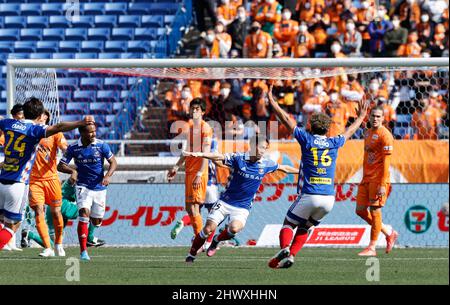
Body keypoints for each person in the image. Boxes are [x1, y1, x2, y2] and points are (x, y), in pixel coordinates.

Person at [267, 85, 369, 269]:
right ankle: (291, 257)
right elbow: (349, 132)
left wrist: (273, 101)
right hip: (329, 198)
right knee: (305, 227)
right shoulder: (334, 142)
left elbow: (285, 119)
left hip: (310, 194)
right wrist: (361, 117)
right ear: (327, 128)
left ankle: (285, 248)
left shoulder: (306, 139)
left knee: (289, 223)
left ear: (310, 126)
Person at [183, 134, 298, 263]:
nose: (262, 151)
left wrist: (302, 171)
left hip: (242, 207)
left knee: (234, 229)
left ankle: (216, 241)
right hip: (226, 201)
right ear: (252, 146)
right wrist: (199, 154)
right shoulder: (239, 158)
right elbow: (219, 157)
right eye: (260, 147)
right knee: (208, 229)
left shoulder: (266, 163)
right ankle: (191, 254)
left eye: (265, 148)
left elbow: (285, 169)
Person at [0, 97, 94, 251]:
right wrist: (80, 122)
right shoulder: (34, 130)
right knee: (12, 225)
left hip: (2, 179)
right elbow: (59, 126)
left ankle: (55, 246)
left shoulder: (8, 123)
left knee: (2, 221)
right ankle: (48, 246)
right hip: (17, 184)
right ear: (39, 117)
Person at [57, 123, 117, 261]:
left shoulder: (101, 145)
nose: (94, 134)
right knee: (83, 213)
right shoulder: (73, 148)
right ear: (82, 133)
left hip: (99, 187)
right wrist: (72, 171)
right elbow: (60, 165)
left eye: (94, 131)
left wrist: (108, 176)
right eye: (90, 132)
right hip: (82, 186)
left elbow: (113, 162)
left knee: (96, 220)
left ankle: (89, 235)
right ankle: (83, 251)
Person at [355, 106, 399, 256]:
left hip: (378, 179)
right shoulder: (368, 132)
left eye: (378, 116)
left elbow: (387, 162)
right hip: (366, 178)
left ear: (383, 118)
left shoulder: (385, 135)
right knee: (360, 210)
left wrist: (382, 184)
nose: (375, 119)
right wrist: (359, 117)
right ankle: (388, 232)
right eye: (373, 116)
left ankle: (372, 247)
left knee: (375, 211)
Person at [167, 99, 212, 238]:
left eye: (197, 109)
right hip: (189, 170)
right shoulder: (192, 128)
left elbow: (206, 153)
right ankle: (199, 237)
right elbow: (187, 151)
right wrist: (176, 167)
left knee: (194, 207)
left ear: (203, 112)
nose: (194, 111)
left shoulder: (206, 129)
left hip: (198, 172)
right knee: (189, 207)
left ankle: (200, 240)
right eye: (192, 109)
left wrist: (199, 173)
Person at [28, 110, 68, 257]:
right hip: (34, 179)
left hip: (51, 178)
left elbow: (64, 147)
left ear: (46, 117)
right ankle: (47, 247)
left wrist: (66, 151)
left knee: (56, 212)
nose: (40, 116)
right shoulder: (29, 131)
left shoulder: (54, 133)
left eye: (42, 114)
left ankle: (58, 243)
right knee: (38, 210)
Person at [21, 180, 106, 249]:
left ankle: (30, 234)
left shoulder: (65, 186)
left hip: (52, 208)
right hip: (62, 206)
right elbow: (73, 179)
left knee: (54, 245)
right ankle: (90, 238)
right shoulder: (78, 182)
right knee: (91, 211)